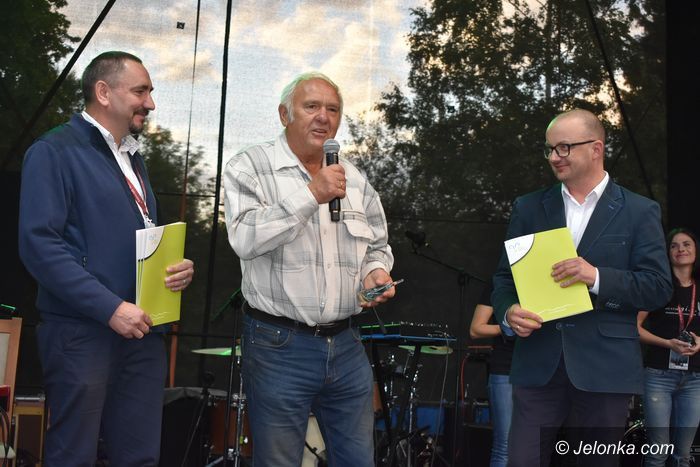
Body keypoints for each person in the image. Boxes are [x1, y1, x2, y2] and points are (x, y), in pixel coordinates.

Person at [18, 51, 194, 466]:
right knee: (74, 455)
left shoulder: (133, 157)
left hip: (142, 332)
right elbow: (39, 245)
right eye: (140, 92)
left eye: (150, 92)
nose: (150, 103)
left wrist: (174, 269)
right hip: (82, 332)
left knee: (139, 456)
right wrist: (110, 307)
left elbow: (134, 238)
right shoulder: (54, 150)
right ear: (103, 92)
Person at [223, 72, 395, 467]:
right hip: (279, 345)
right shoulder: (250, 167)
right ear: (285, 114)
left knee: (358, 461)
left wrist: (375, 272)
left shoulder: (355, 179)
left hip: (347, 344)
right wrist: (311, 194)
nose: (323, 117)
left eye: (332, 109)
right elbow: (245, 239)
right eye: (311, 107)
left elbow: (378, 245)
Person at [491, 109, 672, 467]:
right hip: (538, 363)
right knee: (521, 460)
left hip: (605, 368)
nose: (554, 157)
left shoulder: (639, 211)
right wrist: (509, 312)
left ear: (596, 148)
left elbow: (657, 287)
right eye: (549, 149)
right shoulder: (528, 207)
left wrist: (597, 277)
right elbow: (503, 280)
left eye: (564, 147)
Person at [637, 228, 700, 467]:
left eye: (686, 244)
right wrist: (667, 343)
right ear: (667, 253)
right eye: (674, 245)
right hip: (658, 376)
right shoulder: (659, 287)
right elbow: (634, 328)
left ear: (696, 250)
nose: (681, 249)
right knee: (658, 454)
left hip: (695, 378)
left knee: (683, 455)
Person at [469, 279, 515, 467]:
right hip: (506, 370)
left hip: (539, 370)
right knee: (505, 445)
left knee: (535, 444)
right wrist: (509, 325)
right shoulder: (500, 282)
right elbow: (475, 329)